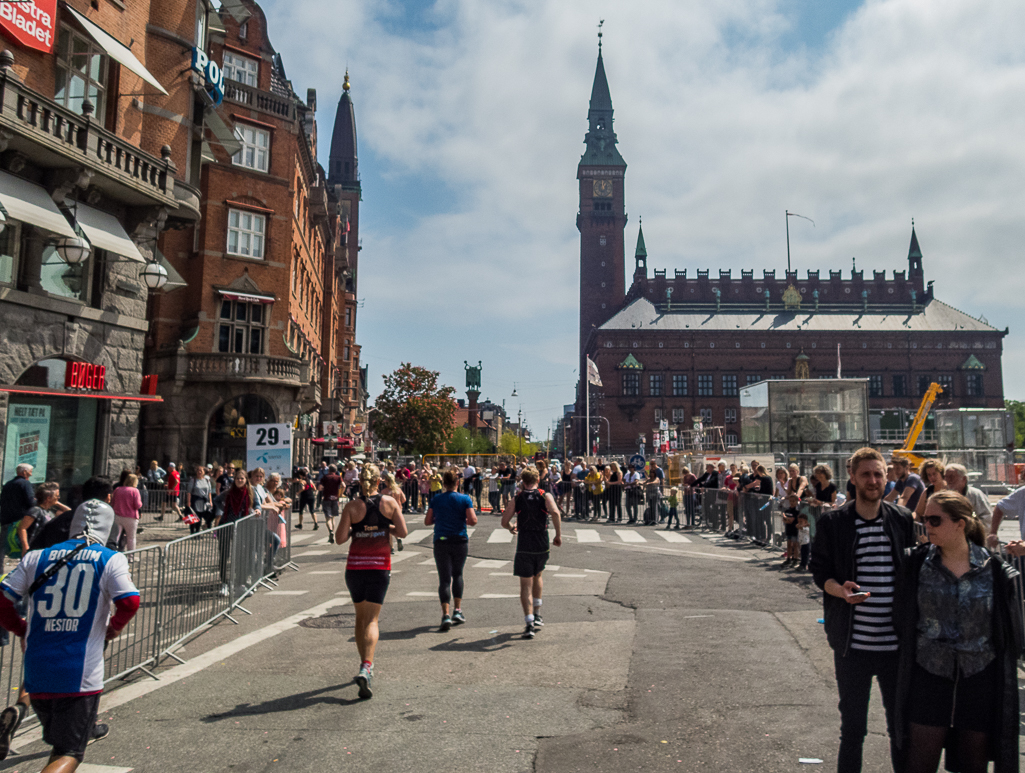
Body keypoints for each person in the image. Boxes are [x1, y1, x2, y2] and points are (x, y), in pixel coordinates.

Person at [0, 476, 139, 772]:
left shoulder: (37, 557)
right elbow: (130, 601)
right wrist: (115, 626)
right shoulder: (109, 558)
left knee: (58, 741)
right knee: (69, 752)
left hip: (37, 669)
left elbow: (3, 600)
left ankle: (18, 710)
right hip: (80, 670)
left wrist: (21, 628)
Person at [895, 491, 1021, 773]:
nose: (927, 526)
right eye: (925, 519)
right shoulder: (916, 565)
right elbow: (901, 619)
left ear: (960, 523)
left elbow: (1008, 632)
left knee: (973, 764)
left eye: (935, 520)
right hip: (928, 677)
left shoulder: (993, 568)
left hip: (979, 680)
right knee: (919, 763)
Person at [809, 447, 916, 773]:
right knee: (853, 730)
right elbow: (820, 574)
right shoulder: (834, 523)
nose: (874, 480)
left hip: (896, 648)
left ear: (887, 477)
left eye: (879, 474)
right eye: (866, 474)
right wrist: (840, 591)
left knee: (901, 729)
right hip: (851, 646)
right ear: (852, 478)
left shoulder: (901, 519)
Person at [335, 463, 407, 699]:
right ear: (380, 481)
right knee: (373, 620)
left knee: (360, 617)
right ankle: (367, 665)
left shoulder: (352, 506)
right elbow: (403, 532)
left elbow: (340, 538)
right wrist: (385, 527)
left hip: (355, 567)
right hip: (379, 566)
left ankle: (364, 664)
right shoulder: (390, 503)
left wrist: (360, 528)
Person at [501, 466, 562, 640]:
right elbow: (556, 513)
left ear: (523, 481)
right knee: (538, 575)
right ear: (537, 479)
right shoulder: (545, 495)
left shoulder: (518, 498)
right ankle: (538, 614)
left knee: (525, 584)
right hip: (541, 541)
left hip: (525, 542)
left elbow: (504, 520)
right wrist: (558, 535)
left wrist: (512, 527)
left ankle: (529, 623)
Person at [425, 469, 477, 631]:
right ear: (457, 483)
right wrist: (462, 519)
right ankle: (458, 610)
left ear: (444, 483)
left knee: (444, 578)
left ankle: (445, 614)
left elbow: (427, 521)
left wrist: (439, 518)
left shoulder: (437, 499)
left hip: (441, 540)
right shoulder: (464, 499)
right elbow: (473, 520)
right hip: (459, 539)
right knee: (458, 574)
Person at [212, 469, 260, 597]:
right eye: (237, 478)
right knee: (224, 555)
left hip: (242, 528)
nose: (239, 480)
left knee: (240, 556)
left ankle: (240, 583)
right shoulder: (228, 493)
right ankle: (224, 583)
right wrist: (225, 509)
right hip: (227, 526)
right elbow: (216, 500)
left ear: (245, 480)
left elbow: (257, 504)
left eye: (242, 479)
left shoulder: (250, 492)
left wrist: (257, 510)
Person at [9, 482, 68, 561]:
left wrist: (56, 502)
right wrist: (25, 547)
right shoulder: (35, 511)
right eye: (57, 496)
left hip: (43, 549)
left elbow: (69, 512)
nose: (59, 497)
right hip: (33, 550)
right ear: (48, 498)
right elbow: (22, 528)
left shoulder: (48, 512)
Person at [0, 464, 36, 558]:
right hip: (20, 521)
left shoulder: (8, 484)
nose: (31, 474)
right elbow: (30, 501)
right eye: (30, 471)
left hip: (6, 520)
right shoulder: (25, 484)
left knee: (3, 547)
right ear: (24, 472)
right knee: (23, 546)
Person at [942, 463, 992, 531]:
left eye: (952, 476)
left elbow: (987, 517)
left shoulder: (975, 494)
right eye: (946, 477)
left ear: (964, 479)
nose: (948, 480)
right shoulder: (943, 495)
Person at [111, 473, 143, 553]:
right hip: (131, 517)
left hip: (118, 515)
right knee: (131, 538)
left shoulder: (117, 489)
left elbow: (112, 502)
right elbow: (137, 505)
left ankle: (113, 553)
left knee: (116, 537)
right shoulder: (135, 491)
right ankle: (130, 556)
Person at [318, 464, 343, 544]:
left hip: (326, 499)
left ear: (328, 470)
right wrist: (340, 494)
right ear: (335, 471)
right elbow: (344, 485)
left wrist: (323, 489)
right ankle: (333, 532)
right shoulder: (338, 477)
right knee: (333, 518)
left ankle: (330, 531)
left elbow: (320, 487)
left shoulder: (325, 477)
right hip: (335, 499)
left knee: (328, 518)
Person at [185, 465, 214, 534]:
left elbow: (209, 492)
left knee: (200, 517)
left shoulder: (207, 481)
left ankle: (197, 532)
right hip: (194, 500)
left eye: (201, 470)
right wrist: (188, 501)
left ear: (204, 472)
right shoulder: (193, 480)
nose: (199, 472)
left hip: (203, 501)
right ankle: (192, 532)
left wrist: (210, 501)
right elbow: (189, 492)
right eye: (198, 470)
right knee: (192, 517)